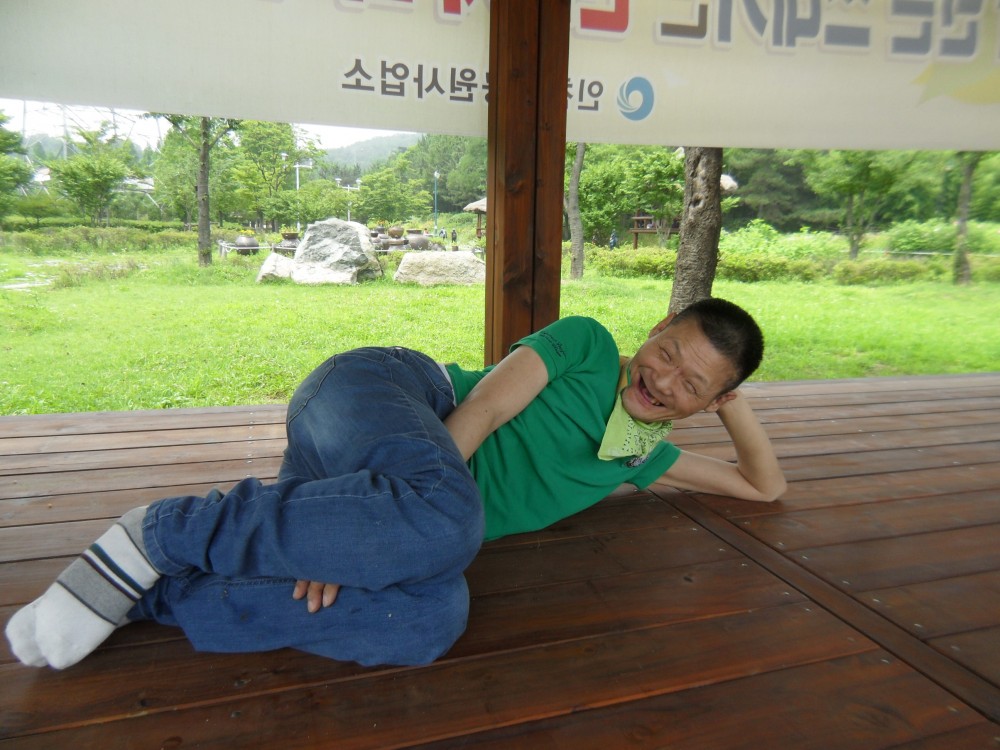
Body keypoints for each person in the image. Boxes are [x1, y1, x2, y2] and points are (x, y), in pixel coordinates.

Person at [6, 298, 785, 670]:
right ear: (652, 333)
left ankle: (145, 594)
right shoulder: (586, 346)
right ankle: (160, 533)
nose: (664, 379)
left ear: (710, 403)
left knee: (429, 623)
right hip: (377, 397)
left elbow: (762, 488)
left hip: (360, 503)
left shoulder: (638, 456)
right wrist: (372, 533)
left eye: (693, 384)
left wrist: (357, 541)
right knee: (453, 519)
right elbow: (483, 409)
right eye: (667, 352)